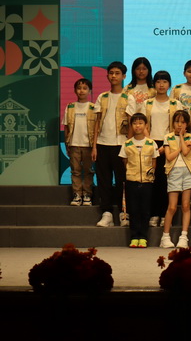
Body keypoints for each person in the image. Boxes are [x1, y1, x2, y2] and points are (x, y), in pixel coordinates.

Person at [143, 71, 184, 228]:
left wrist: (166, 144)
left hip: (170, 145)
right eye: (158, 81)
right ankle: (154, 214)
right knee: (153, 180)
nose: (161, 85)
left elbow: (179, 125)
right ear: (154, 84)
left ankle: (165, 215)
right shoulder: (147, 103)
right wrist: (152, 145)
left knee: (167, 182)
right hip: (151, 144)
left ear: (169, 84)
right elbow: (143, 124)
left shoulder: (175, 104)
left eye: (165, 82)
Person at [93, 61, 129, 228]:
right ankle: (106, 213)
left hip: (121, 145)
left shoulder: (129, 98)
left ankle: (123, 213)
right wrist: (94, 146)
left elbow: (131, 124)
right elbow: (97, 122)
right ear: (107, 75)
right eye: (111, 73)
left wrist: (129, 147)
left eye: (117, 73)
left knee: (122, 181)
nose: (114, 76)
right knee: (104, 180)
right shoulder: (102, 97)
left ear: (124, 76)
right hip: (102, 144)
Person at [119, 113, 159, 248]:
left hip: (147, 182)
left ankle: (143, 237)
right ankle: (134, 237)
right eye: (135, 123)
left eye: (141, 123)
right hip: (132, 181)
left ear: (146, 125)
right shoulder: (127, 144)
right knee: (134, 210)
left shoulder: (151, 143)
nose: (138, 126)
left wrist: (149, 175)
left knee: (145, 210)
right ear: (131, 126)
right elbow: (125, 162)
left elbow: (154, 162)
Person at [160, 110, 191, 249]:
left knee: (186, 205)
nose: (179, 125)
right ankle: (165, 237)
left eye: (182, 122)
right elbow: (169, 157)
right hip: (174, 172)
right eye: (177, 122)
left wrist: (181, 136)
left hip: (188, 172)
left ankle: (184, 237)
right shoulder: (168, 137)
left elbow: (187, 152)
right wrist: (181, 147)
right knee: (172, 206)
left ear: (187, 124)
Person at [63, 78, 96, 206]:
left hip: (88, 145)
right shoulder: (70, 107)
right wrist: (67, 143)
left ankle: (87, 194)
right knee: (75, 171)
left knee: (88, 171)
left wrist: (95, 146)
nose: (81, 91)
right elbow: (66, 127)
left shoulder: (93, 108)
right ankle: (77, 195)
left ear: (90, 91)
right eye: (79, 88)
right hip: (74, 144)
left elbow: (97, 128)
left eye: (85, 88)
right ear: (75, 90)